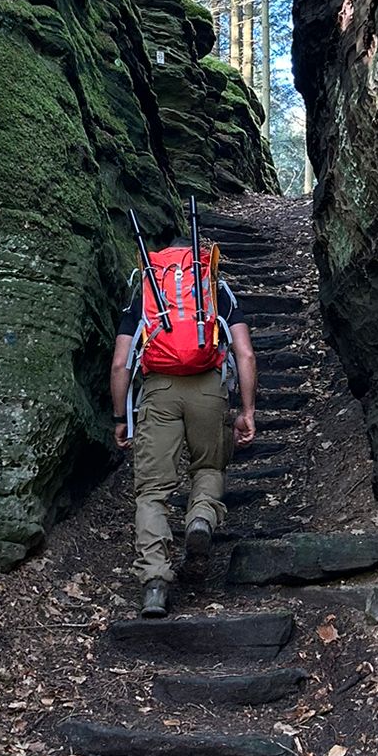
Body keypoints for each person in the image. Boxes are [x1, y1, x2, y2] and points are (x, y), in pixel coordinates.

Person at [109, 236, 257, 617]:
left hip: (158, 391)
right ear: (200, 261)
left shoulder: (147, 290)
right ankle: (201, 518)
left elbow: (121, 362)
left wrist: (121, 417)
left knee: (151, 491)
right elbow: (245, 352)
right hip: (209, 389)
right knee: (208, 466)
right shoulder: (213, 289)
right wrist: (247, 410)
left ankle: (155, 583)